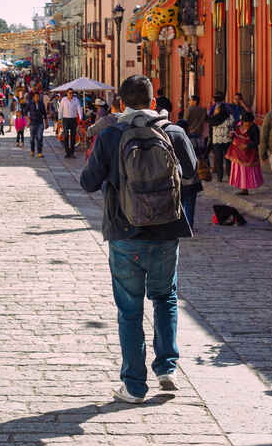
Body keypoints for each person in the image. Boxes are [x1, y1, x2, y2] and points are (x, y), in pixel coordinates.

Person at [79, 74, 197, 404]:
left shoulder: (111, 134)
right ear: (154, 99)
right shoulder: (172, 131)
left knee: (129, 311)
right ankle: (167, 368)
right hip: (166, 230)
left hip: (124, 232)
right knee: (165, 298)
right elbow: (190, 172)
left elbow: (88, 182)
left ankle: (134, 385)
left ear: (120, 103)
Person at [228, 112, 264, 196]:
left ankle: (246, 187)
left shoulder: (254, 128)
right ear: (242, 121)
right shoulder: (237, 124)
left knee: (247, 170)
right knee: (239, 170)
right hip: (237, 152)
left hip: (249, 153)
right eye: (247, 123)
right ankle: (243, 188)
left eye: (250, 123)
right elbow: (233, 133)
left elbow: (257, 141)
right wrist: (231, 135)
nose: (248, 125)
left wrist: (247, 145)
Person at [207, 92, 235, 182]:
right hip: (227, 138)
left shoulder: (213, 112)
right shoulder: (227, 111)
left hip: (216, 139)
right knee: (227, 158)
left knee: (218, 159)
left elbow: (209, 120)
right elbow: (233, 121)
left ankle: (220, 177)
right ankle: (230, 175)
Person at [59, 89, 84, 158]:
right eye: (70, 93)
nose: (71, 94)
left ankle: (72, 152)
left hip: (73, 119)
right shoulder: (63, 100)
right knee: (66, 136)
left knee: (73, 136)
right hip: (65, 119)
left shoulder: (76, 100)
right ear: (67, 93)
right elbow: (60, 109)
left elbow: (79, 109)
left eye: (72, 93)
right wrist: (59, 119)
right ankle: (67, 152)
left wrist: (81, 118)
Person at [27, 92, 48, 158]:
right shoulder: (30, 103)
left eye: (37, 97)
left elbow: (44, 114)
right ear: (33, 97)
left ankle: (39, 152)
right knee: (32, 138)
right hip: (32, 123)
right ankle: (32, 151)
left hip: (40, 123)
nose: (36, 98)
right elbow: (24, 112)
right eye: (35, 97)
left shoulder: (41, 104)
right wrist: (28, 119)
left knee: (40, 137)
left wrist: (46, 123)